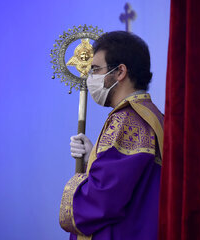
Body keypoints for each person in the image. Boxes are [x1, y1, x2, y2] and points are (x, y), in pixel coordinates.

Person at [59, 31, 164, 240]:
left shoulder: (126, 119)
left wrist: (77, 185)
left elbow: (102, 199)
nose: (91, 78)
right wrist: (93, 159)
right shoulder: (152, 114)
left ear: (120, 72)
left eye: (96, 69)